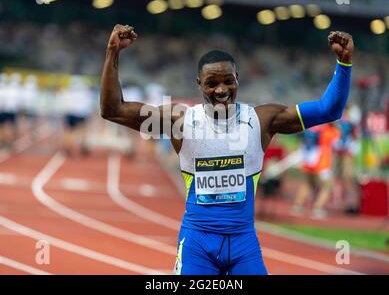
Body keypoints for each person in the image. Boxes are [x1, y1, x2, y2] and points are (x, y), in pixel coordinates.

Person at [100, 24, 353, 275]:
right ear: (199, 84)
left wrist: (343, 64)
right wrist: (113, 51)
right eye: (211, 83)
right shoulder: (180, 121)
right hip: (197, 244)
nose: (221, 90)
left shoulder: (261, 121)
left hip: (244, 245)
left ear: (237, 80)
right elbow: (112, 109)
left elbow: (328, 110)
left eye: (228, 81)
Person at [292, 123, 340, 219]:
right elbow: (337, 142)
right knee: (328, 186)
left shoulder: (310, 127)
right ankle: (318, 208)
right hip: (322, 163)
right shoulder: (328, 130)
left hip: (307, 160)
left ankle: (297, 205)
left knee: (308, 183)